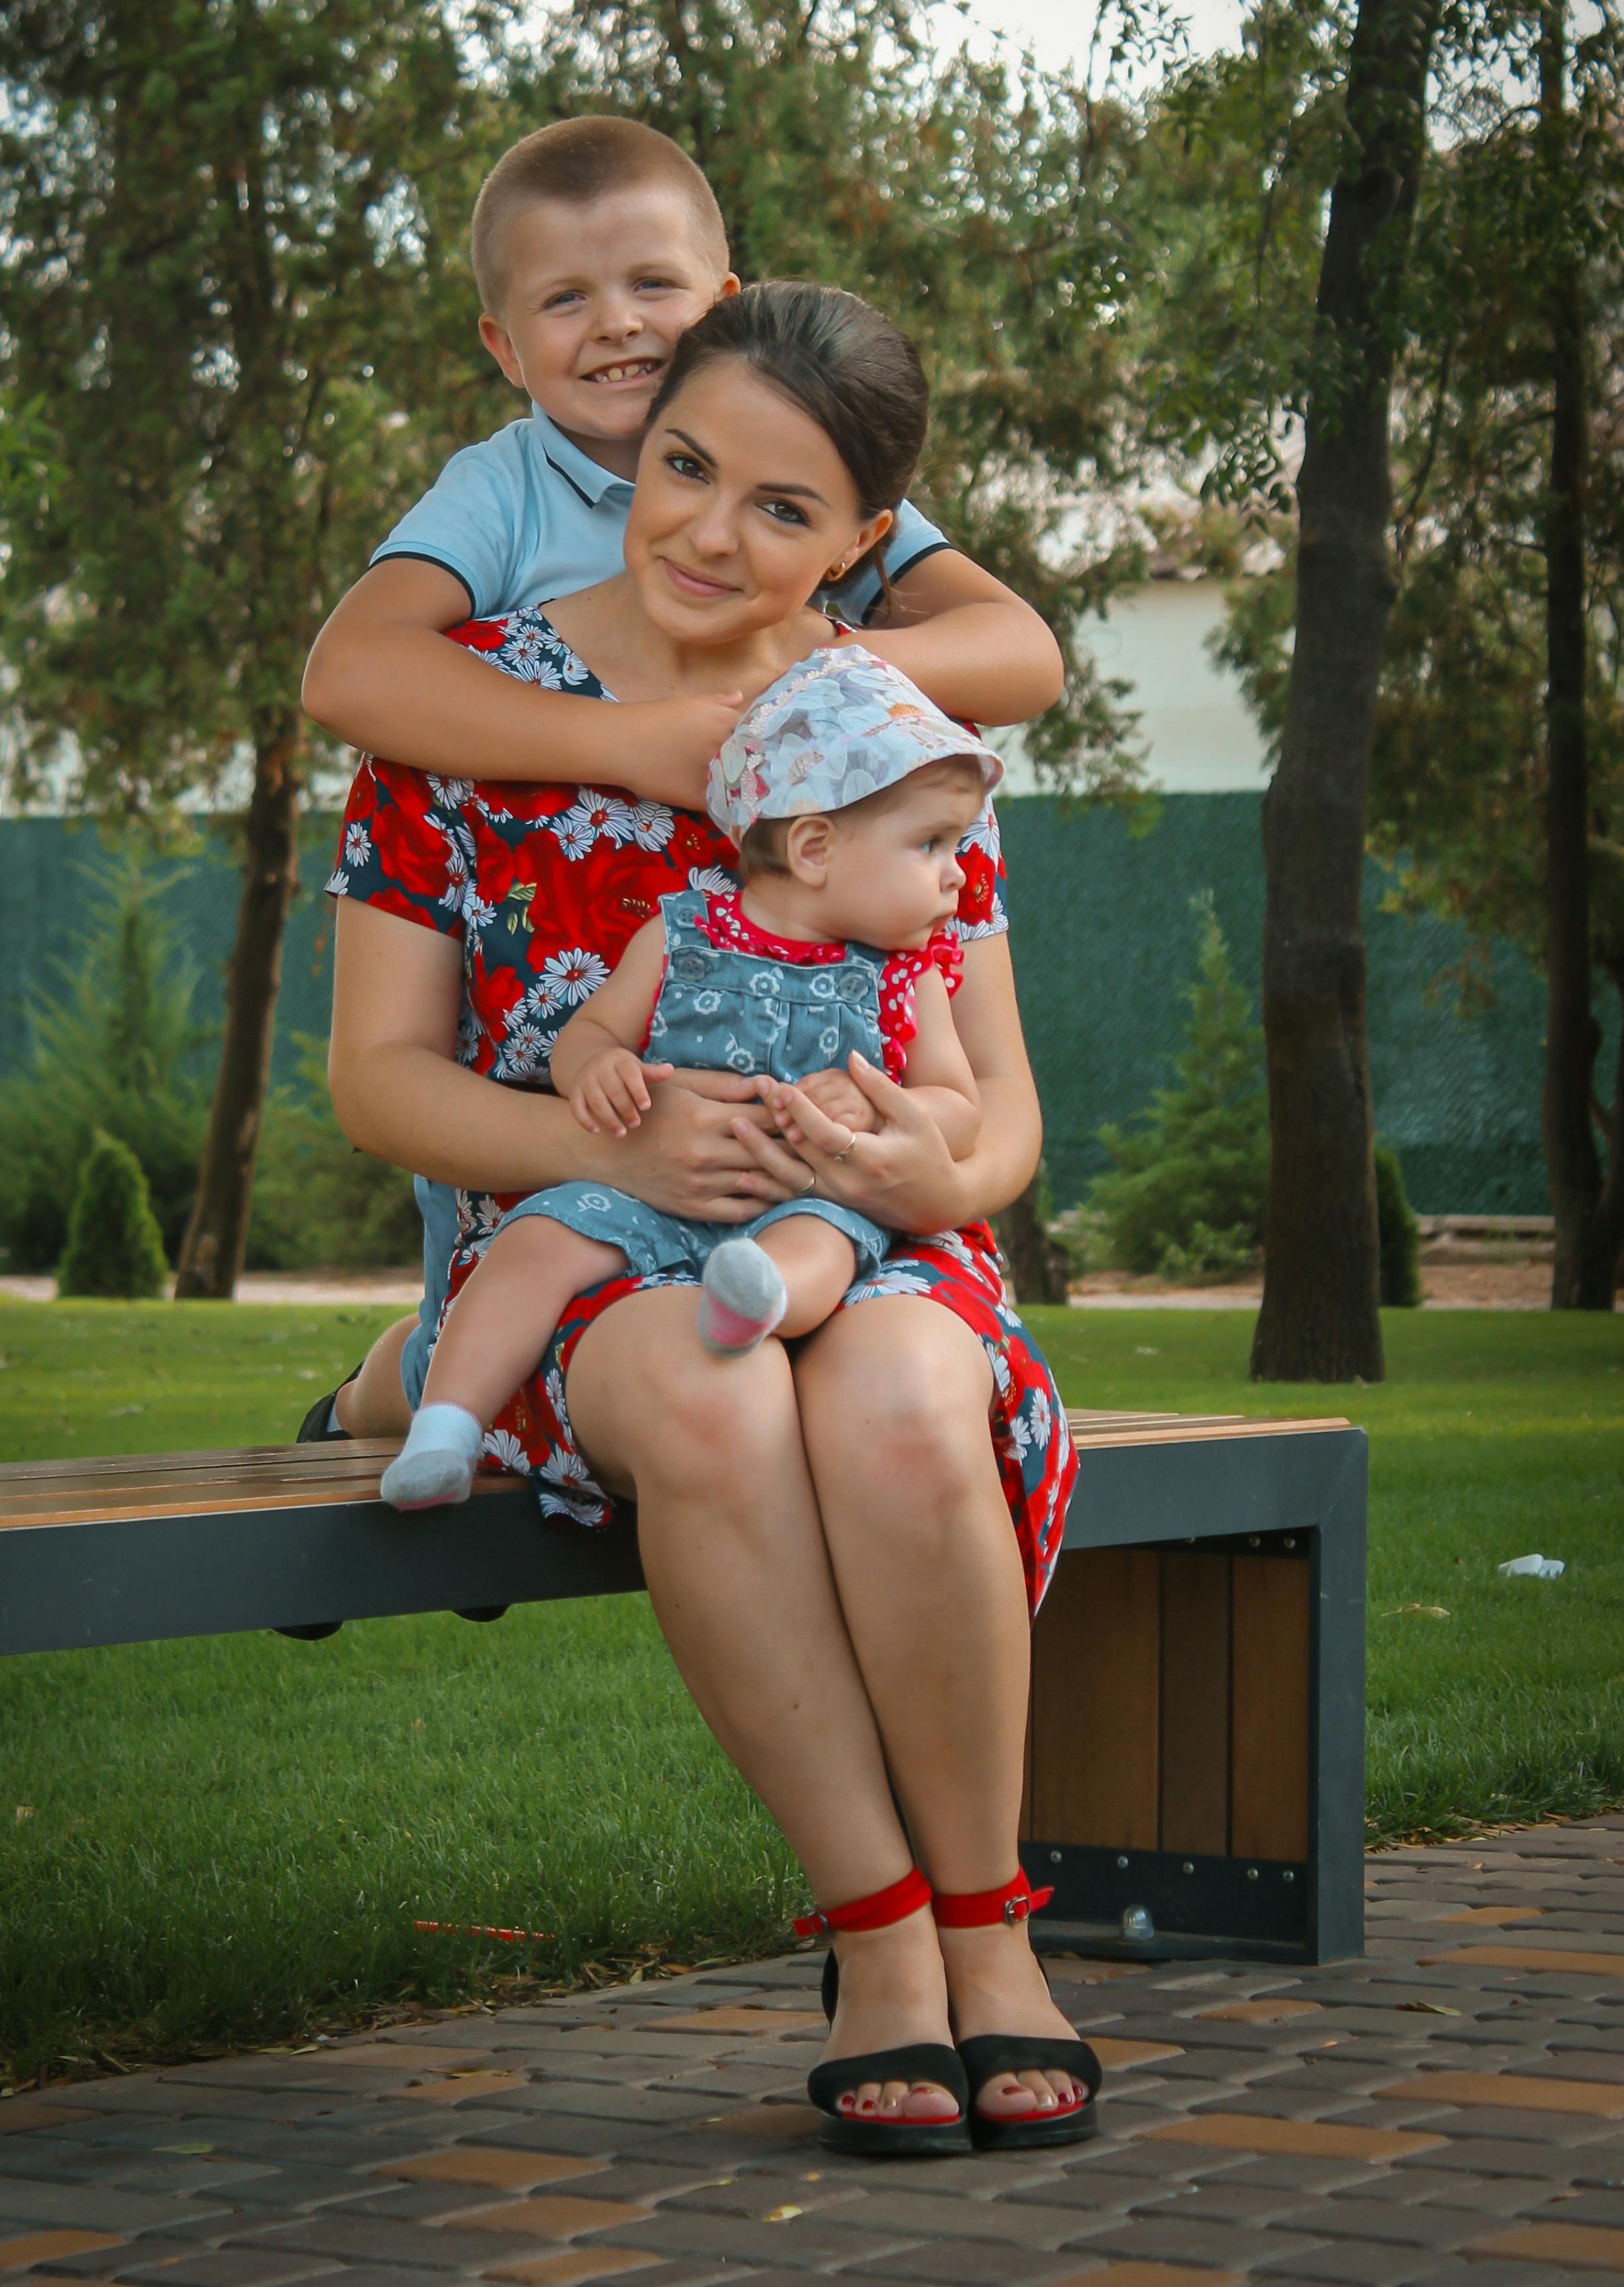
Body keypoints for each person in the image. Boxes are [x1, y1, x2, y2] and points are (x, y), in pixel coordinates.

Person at [324, 282, 1099, 2157]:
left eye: (779, 508)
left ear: (860, 545)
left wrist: (943, 1178)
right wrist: (619, 1152)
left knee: (905, 1396)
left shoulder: (902, 731)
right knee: (713, 1393)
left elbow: (1001, 1114)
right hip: (595, 1252)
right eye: (684, 467)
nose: (707, 531)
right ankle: (880, 1933)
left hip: (878, 1235)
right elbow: (377, 1081)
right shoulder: (468, 716)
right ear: (637, 442)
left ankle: (994, 1926)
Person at [296, 112, 1065, 1457]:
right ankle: (393, 1394)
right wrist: (628, 741)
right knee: (492, 1306)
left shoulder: (798, 437)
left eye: (652, 287)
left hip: (777, 1128)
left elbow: (1020, 652)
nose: (616, 329)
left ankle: (417, 1383)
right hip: (568, 1064)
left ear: (722, 303)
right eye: (566, 299)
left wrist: (816, 688)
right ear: (503, 345)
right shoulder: (504, 489)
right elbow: (352, 672)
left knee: (836, 1375)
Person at [377, 648, 1002, 1512]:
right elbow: (592, 1030)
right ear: (815, 847)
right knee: (534, 1243)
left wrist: (880, 1105)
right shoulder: (684, 932)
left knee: (820, 1248)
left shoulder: (908, 975)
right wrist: (598, 1068)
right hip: (648, 1190)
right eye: (932, 843)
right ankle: (442, 1433)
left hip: (807, 1194)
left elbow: (962, 1111)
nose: (957, 874)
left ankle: (754, 1306)